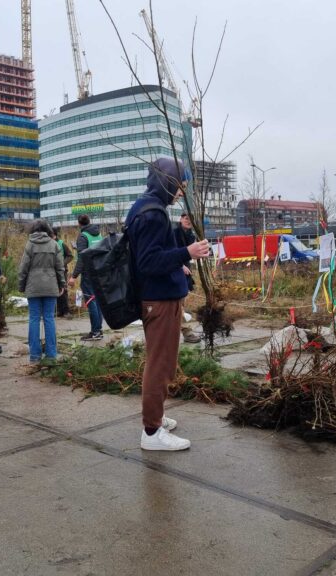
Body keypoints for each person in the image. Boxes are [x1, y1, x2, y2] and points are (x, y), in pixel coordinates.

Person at [125, 158, 210, 451]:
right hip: (158, 300)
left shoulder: (149, 208)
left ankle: (157, 416)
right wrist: (187, 252)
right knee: (159, 366)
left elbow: (156, 253)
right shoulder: (152, 214)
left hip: (162, 298)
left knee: (164, 363)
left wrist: (181, 256)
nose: (180, 193)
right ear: (168, 182)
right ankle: (151, 432)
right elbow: (149, 262)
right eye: (180, 186)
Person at [18, 220, 65, 363]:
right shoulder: (54, 244)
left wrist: (21, 285)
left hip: (33, 286)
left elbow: (23, 268)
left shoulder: (29, 245)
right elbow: (60, 267)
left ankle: (35, 355)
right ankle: (51, 354)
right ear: (47, 230)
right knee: (49, 318)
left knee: (34, 319)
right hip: (50, 286)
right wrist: (61, 284)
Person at [67, 214, 104, 341]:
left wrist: (73, 276)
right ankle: (99, 330)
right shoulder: (98, 234)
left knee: (90, 301)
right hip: (99, 271)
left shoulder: (83, 236)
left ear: (79, 223)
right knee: (98, 301)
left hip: (89, 273)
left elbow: (82, 258)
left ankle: (95, 332)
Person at [174, 213, 202, 344]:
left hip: (185, 270)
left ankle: (173, 332)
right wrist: (180, 265)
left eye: (191, 220)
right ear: (181, 219)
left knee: (180, 304)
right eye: (186, 219)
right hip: (174, 270)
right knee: (178, 305)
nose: (188, 221)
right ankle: (186, 332)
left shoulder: (191, 236)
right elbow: (169, 252)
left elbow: (191, 254)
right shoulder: (173, 233)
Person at [52, 227, 73, 318]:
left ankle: (66, 311)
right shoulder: (49, 244)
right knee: (54, 291)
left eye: (50, 235)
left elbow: (70, 256)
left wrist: (62, 263)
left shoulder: (61, 244)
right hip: (52, 272)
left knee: (63, 291)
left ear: (54, 235)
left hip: (62, 271)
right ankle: (58, 311)